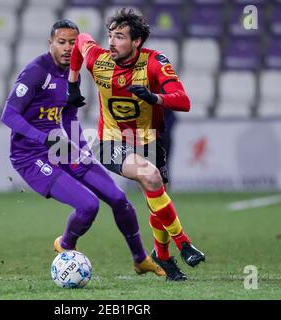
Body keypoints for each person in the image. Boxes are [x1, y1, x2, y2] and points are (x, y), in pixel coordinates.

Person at [0, 19, 164, 277]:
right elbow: (8, 115)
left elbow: (69, 118)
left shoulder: (72, 74)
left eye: (72, 43)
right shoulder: (35, 71)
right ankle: (65, 245)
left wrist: (83, 148)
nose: (67, 48)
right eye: (61, 42)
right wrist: (40, 138)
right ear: (50, 43)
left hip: (61, 147)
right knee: (88, 206)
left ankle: (140, 258)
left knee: (119, 199)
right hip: (30, 155)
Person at [67, 9, 205, 281]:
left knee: (155, 192)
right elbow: (81, 39)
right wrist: (73, 84)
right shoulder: (100, 60)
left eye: (119, 37)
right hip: (111, 141)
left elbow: (183, 101)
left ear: (137, 41)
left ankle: (162, 257)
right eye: (110, 36)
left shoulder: (153, 62)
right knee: (150, 177)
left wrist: (155, 98)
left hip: (150, 140)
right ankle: (184, 244)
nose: (111, 42)